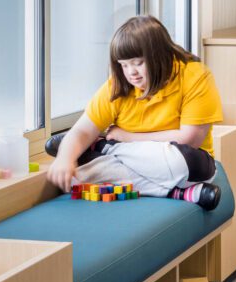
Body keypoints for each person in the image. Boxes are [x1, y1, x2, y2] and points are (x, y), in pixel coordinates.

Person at [45, 15, 223, 210]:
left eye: (138, 63)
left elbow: (190, 139)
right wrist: (64, 159)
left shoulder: (195, 76)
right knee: (75, 173)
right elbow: (82, 131)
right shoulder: (117, 86)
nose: (131, 72)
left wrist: (126, 138)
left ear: (160, 55)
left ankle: (107, 150)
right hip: (161, 172)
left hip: (190, 162)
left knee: (180, 163)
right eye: (124, 64)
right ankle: (175, 193)